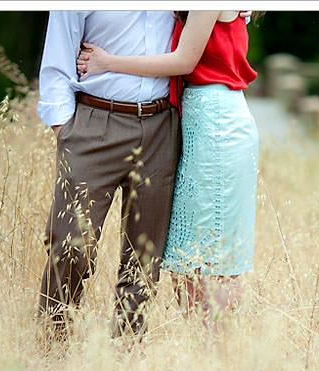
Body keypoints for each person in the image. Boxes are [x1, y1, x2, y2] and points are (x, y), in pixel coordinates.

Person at [77, 10, 260, 334]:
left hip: (216, 123)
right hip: (206, 119)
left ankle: (219, 355)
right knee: (194, 263)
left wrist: (109, 62)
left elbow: (184, 61)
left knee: (208, 264)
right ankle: (213, 355)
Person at [36, 10, 182, 343]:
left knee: (144, 255)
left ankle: (127, 353)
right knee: (71, 244)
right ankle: (51, 347)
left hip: (160, 125)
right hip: (94, 120)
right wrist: (68, 132)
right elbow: (56, 64)